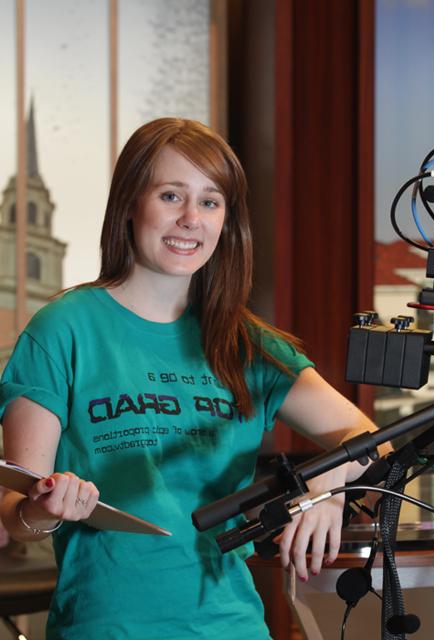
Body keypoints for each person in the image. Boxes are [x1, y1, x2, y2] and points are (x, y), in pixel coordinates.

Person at [0, 118, 383, 640]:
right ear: (132, 203)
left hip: (232, 625)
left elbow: (369, 442)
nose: (190, 220)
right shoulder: (64, 328)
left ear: (226, 220)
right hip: (106, 626)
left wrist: (326, 489)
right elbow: (14, 511)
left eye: (209, 202)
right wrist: (46, 510)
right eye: (171, 195)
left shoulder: (245, 342)